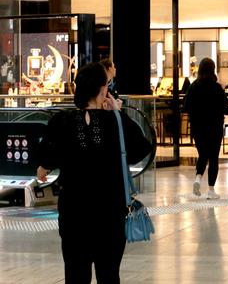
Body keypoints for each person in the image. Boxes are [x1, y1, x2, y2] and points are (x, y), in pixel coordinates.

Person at [36, 62, 152, 283]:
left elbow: (46, 157)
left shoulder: (61, 121)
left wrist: (44, 167)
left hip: (73, 214)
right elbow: (141, 149)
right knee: (109, 274)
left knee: (75, 273)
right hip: (109, 214)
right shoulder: (114, 122)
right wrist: (119, 114)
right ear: (103, 90)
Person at [184, 58, 228, 199]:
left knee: (203, 154)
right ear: (213, 70)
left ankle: (197, 179)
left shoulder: (194, 86)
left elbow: (186, 106)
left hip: (197, 127)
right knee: (213, 158)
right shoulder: (216, 87)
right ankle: (211, 190)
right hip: (214, 127)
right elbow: (225, 108)